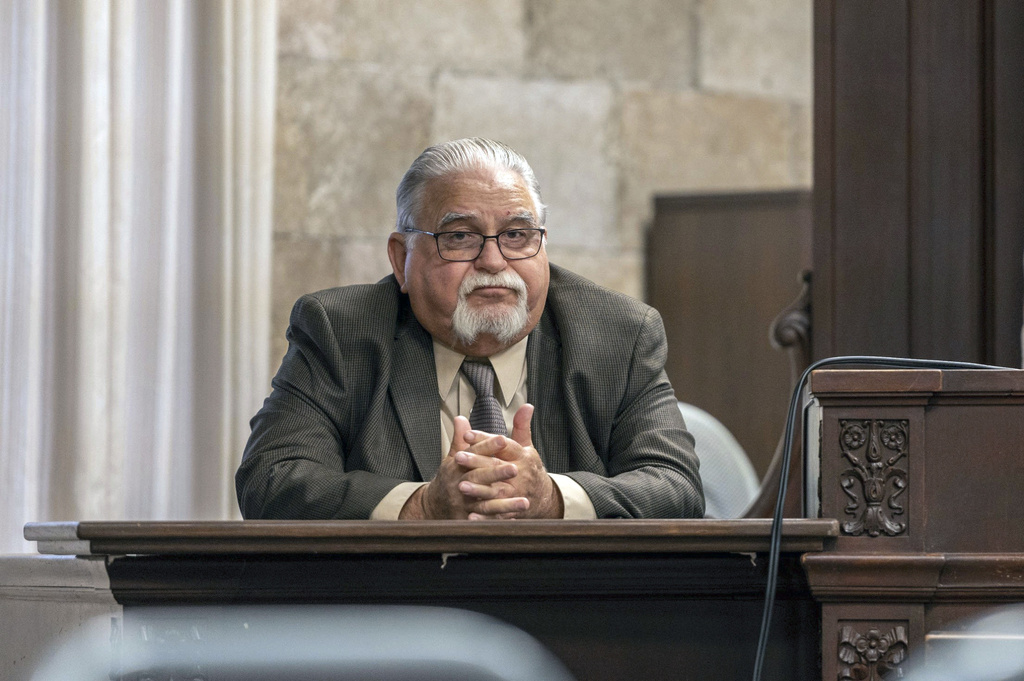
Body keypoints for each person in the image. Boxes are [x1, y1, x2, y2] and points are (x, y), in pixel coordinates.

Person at [236, 138, 704, 520]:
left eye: (517, 235)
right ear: (402, 259)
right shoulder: (341, 331)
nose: (494, 262)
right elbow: (271, 480)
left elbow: (675, 486)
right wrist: (423, 506)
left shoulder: (618, 334)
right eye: (459, 236)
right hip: (396, 609)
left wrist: (552, 499)